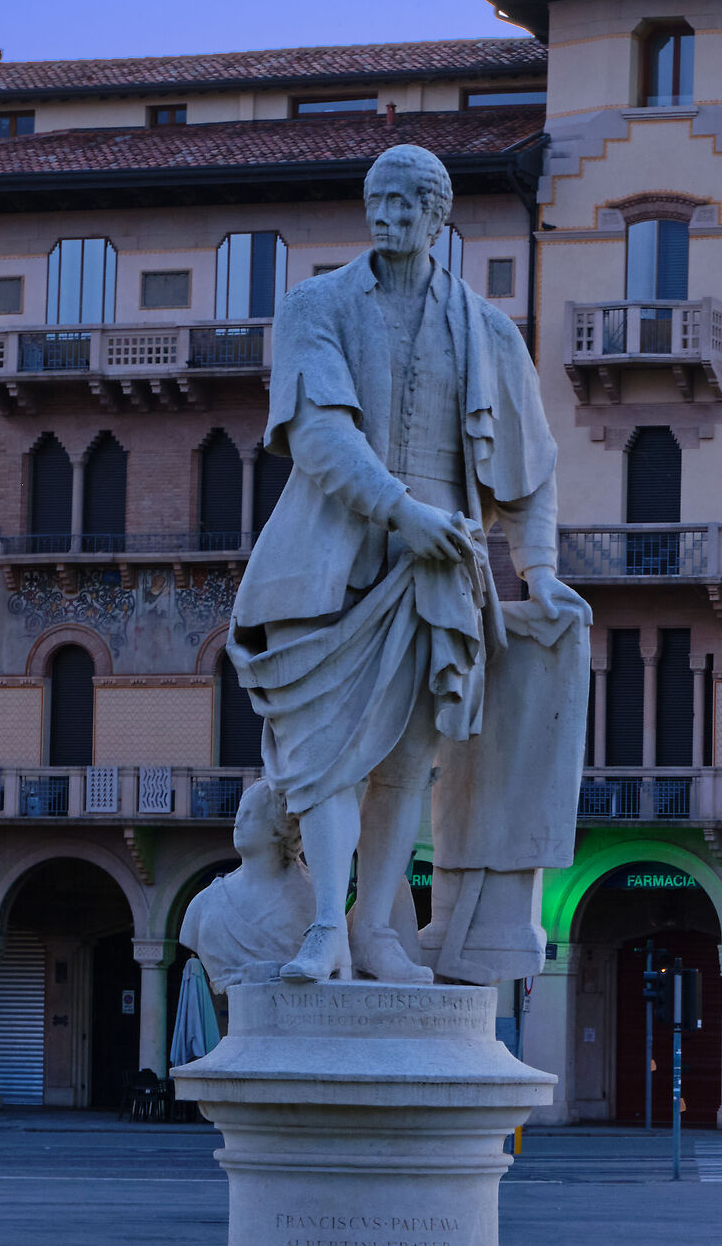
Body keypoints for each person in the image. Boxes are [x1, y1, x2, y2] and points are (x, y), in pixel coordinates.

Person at [227, 143, 585, 984]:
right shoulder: (314, 306)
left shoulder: (491, 331)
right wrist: (406, 514)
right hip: (330, 563)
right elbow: (319, 436)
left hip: (438, 578)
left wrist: (538, 571)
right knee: (324, 756)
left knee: (403, 765)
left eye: (404, 204)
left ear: (438, 216)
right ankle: (324, 926)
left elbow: (532, 468)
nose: (386, 217)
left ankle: (377, 933)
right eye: (376, 201)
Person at [178, 779, 316, 993]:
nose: (238, 822)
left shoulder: (313, 899)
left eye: (249, 814)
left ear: (279, 826)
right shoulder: (203, 905)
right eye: (239, 813)